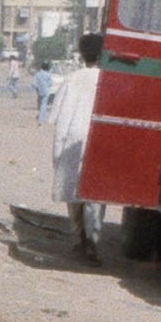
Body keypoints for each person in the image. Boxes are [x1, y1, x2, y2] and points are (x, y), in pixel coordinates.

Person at [49, 34, 103, 263]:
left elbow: (58, 117)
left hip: (72, 138)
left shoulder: (72, 80)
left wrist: (57, 151)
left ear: (81, 54)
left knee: (72, 190)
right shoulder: (108, 80)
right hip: (98, 139)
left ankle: (79, 236)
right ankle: (93, 240)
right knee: (95, 194)